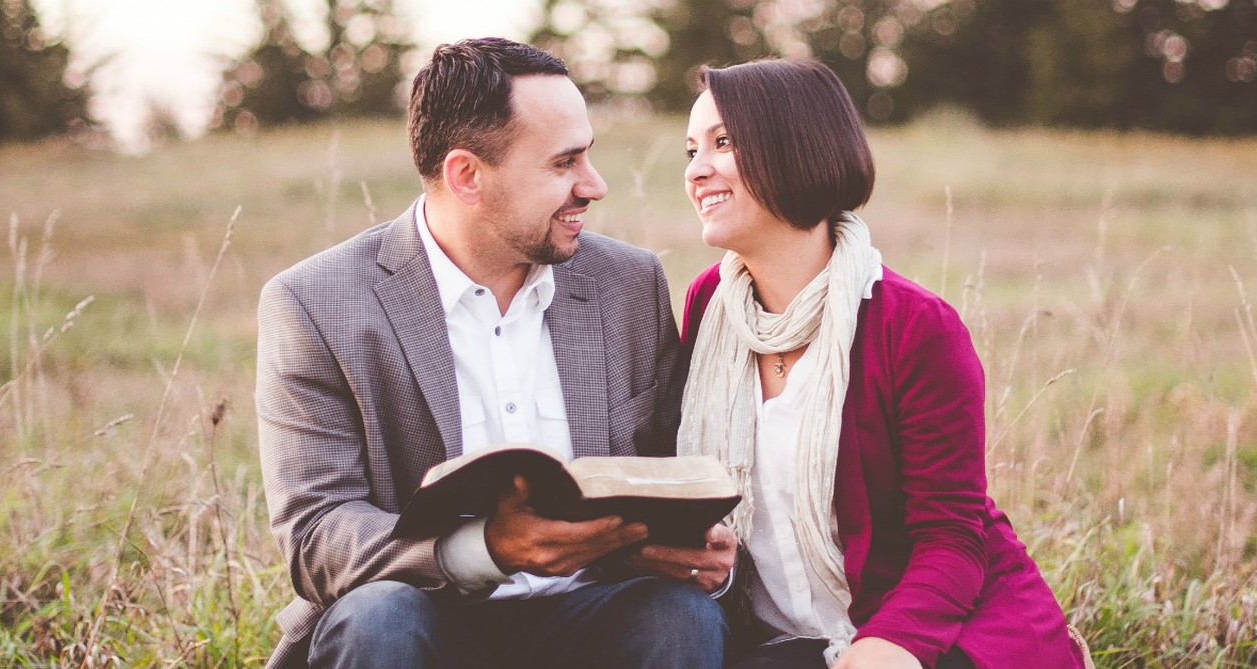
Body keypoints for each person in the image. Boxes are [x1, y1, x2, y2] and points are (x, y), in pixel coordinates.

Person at [255, 38, 729, 669]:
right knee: (380, 618)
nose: (595, 185)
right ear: (467, 176)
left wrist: (692, 550)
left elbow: (669, 471)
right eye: (564, 163)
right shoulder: (315, 302)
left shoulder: (628, 283)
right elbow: (316, 538)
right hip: (422, 618)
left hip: (593, 617)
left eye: (589, 156)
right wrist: (486, 548)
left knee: (680, 618)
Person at [674, 59, 1089, 669]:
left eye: (724, 142)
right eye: (691, 150)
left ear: (795, 149)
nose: (696, 170)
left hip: (941, 635)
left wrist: (882, 650)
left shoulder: (913, 326)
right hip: (788, 642)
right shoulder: (709, 305)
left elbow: (951, 539)